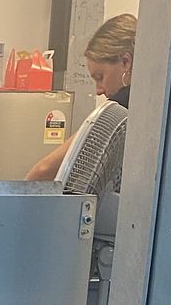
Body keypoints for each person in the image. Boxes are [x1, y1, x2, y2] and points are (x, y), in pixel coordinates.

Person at [25, 13, 135, 182]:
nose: (98, 90)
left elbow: (45, 170)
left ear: (126, 62)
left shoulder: (120, 108)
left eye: (100, 77)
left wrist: (19, 195)